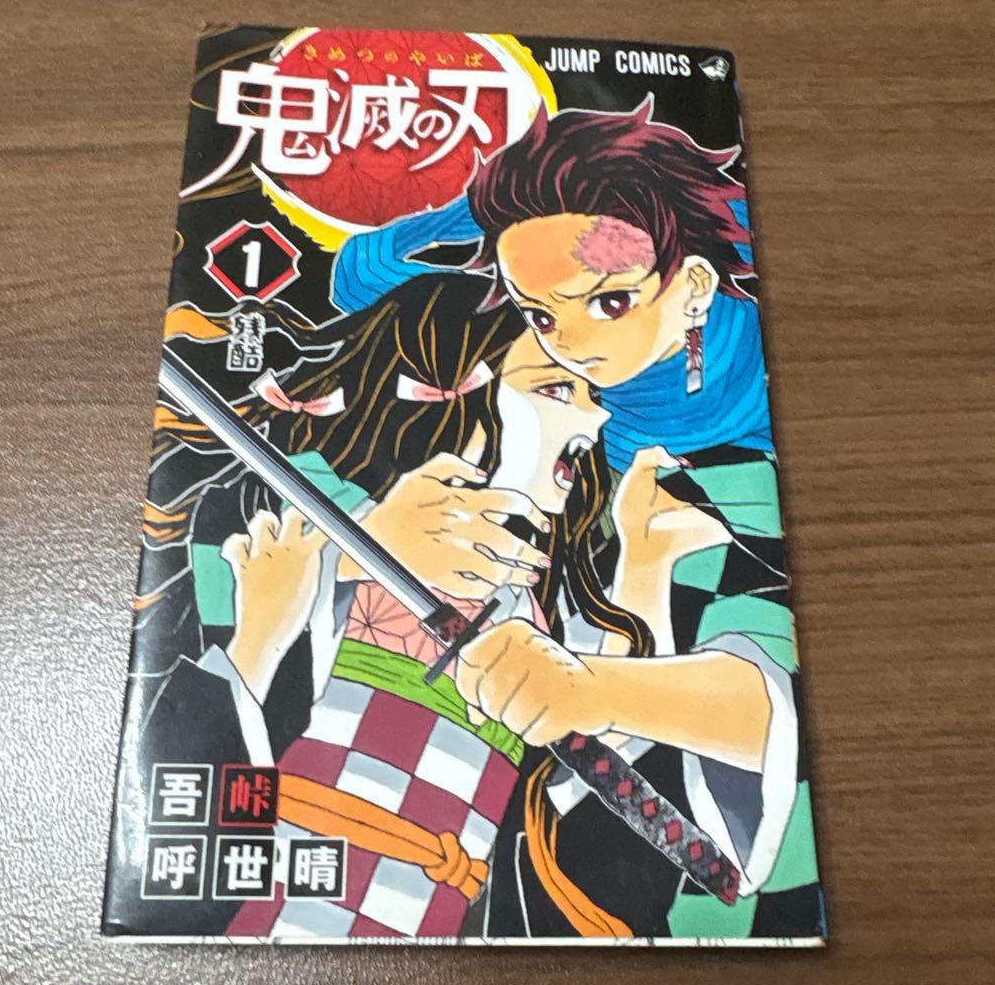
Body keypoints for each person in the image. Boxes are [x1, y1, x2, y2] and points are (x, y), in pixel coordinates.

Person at [117, 273, 797, 940]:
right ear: (452, 390)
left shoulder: (552, 595)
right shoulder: (290, 505)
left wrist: (643, 570)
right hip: (274, 897)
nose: (595, 418)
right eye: (556, 389)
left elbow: (608, 791)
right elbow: (178, 725)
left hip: (444, 918)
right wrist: (354, 555)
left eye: (589, 394)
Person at [328, 99, 822, 936]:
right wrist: (362, 542)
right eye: (541, 314)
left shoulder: (734, 464)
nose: (572, 342)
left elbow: (763, 694)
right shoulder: (532, 416)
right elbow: (350, 304)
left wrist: (588, 687)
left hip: (650, 893)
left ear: (694, 287)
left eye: (610, 303)